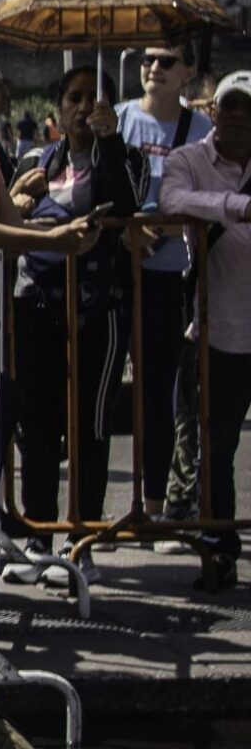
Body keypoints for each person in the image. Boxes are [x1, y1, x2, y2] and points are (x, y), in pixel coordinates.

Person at [6, 69, 139, 533]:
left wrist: (111, 145)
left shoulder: (126, 158)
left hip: (100, 310)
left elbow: (127, 206)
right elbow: (9, 214)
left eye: (95, 99)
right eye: (74, 98)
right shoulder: (36, 162)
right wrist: (21, 200)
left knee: (91, 423)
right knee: (38, 424)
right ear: (58, 108)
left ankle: (85, 528)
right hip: (37, 309)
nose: (83, 108)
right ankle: (39, 531)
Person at [159, 71, 251, 592]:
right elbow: (172, 200)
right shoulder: (187, 160)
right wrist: (239, 207)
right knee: (215, 452)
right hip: (216, 331)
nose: (238, 116)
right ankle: (219, 552)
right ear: (213, 112)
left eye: (247, 108)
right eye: (229, 107)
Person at [120, 42, 213, 534]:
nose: (153, 68)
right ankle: (100, 509)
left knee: (161, 394)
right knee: (107, 395)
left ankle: (155, 506)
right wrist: (125, 227)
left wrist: (173, 225)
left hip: (173, 278)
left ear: (187, 74)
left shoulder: (202, 132)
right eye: (147, 60)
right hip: (119, 274)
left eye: (166, 61)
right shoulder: (115, 119)